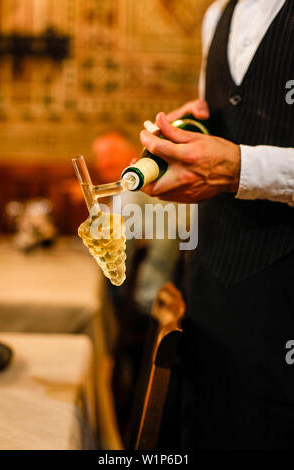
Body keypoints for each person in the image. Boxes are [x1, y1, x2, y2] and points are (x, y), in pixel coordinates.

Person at [140, 0, 294, 450]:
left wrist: (242, 169)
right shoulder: (215, 16)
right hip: (211, 289)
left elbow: (237, 160)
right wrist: (186, 134)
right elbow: (223, 122)